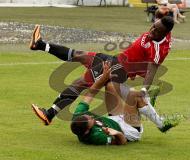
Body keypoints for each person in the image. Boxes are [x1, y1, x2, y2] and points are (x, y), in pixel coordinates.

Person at [30, 15, 174, 126]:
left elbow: (152, 70)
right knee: (79, 55)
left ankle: (49, 114)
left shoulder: (158, 49)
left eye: (156, 31)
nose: (152, 31)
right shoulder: (161, 29)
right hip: (115, 60)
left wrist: (144, 90)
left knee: (80, 83)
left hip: (118, 69)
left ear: (164, 33)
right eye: (153, 26)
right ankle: (40, 45)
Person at [70, 62, 181, 145]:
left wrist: (103, 79)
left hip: (114, 119)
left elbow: (91, 92)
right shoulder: (96, 137)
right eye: (90, 120)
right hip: (128, 130)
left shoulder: (79, 116)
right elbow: (122, 142)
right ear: (87, 131)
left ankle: (145, 103)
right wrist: (115, 133)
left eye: (87, 116)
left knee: (110, 84)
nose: (90, 116)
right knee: (134, 96)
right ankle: (161, 124)